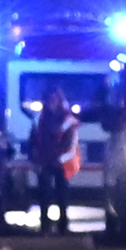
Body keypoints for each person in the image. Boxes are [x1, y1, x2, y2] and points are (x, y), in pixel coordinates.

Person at [28, 92, 78, 232]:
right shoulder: (39, 118)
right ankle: (45, 225)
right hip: (44, 161)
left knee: (62, 195)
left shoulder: (67, 119)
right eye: (49, 99)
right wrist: (34, 159)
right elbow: (33, 139)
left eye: (54, 99)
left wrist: (58, 158)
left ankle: (63, 225)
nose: (52, 102)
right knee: (44, 195)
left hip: (60, 162)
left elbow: (70, 142)